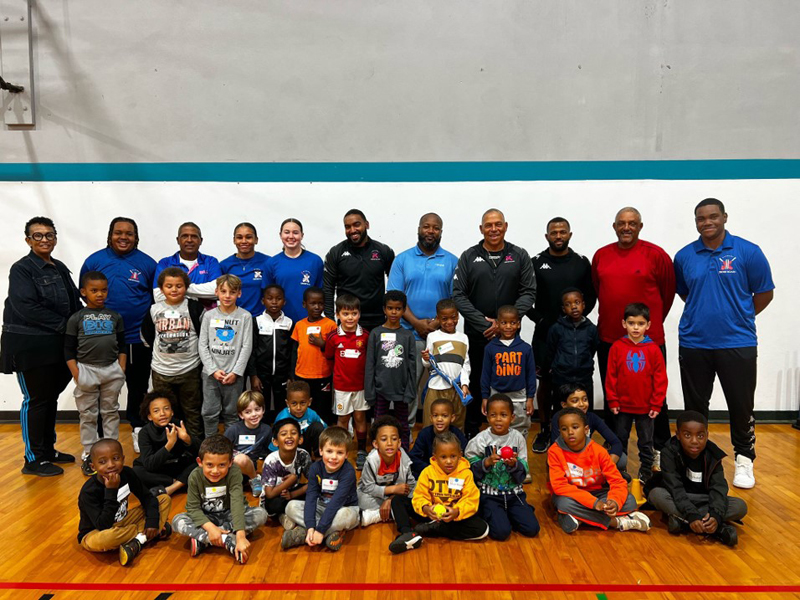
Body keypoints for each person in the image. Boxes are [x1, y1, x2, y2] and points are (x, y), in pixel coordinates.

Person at [674, 198, 774, 489]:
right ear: (696, 222)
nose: (707, 222)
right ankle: (696, 463)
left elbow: (764, 293)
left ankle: (744, 459)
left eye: (713, 216)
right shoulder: (684, 256)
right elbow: (685, 293)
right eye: (701, 218)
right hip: (694, 343)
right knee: (695, 407)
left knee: (741, 405)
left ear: (725, 217)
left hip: (738, 343)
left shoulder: (748, 252)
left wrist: (738, 315)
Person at [591, 207, 675, 463]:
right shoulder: (601, 255)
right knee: (613, 395)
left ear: (640, 226)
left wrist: (646, 326)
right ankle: (615, 449)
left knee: (655, 396)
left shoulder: (656, 255)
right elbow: (598, 289)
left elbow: (667, 294)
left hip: (649, 343)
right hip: (610, 339)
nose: (626, 227)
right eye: (621, 223)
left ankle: (661, 450)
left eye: (632, 223)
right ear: (614, 226)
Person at [2, 216, 82, 476]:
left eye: (49, 235)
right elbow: (25, 306)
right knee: (35, 400)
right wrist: (67, 326)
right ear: (28, 240)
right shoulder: (22, 269)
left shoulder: (59, 267)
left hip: (57, 344)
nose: (44, 239)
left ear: (55, 239)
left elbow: (74, 302)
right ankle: (33, 459)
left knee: (50, 398)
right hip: (30, 345)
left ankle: (48, 450)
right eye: (38, 235)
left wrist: (85, 322)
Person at [452, 208, 536, 438]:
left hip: (509, 335)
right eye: (488, 225)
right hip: (478, 334)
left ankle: (510, 433)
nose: (494, 229)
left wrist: (503, 323)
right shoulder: (469, 256)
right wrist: (484, 323)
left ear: (505, 226)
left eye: (498, 224)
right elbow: (458, 294)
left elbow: (529, 292)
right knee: (477, 380)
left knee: (509, 380)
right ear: (481, 229)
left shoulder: (519, 255)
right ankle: (472, 430)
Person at [81, 217, 157, 453]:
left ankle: (138, 428)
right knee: (102, 388)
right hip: (102, 340)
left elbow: (156, 298)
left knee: (138, 387)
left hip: (138, 338)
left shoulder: (147, 263)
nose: (123, 237)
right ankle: (100, 437)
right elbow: (84, 293)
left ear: (136, 237)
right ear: (110, 235)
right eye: (118, 233)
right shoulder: (94, 261)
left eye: (129, 233)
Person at [387, 213, 458, 439]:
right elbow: (395, 297)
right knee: (408, 387)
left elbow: (455, 298)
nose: (430, 231)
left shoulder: (452, 261)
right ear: (419, 229)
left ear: (441, 232)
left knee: (444, 386)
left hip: (443, 336)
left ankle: (442, 436)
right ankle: (405, 434)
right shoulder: (402, 259)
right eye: (426, 227)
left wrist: (436, 323)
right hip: (409, 335)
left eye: (435, 228)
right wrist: (417, 323)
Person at [527, 217, 596, 453]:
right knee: (546, 382)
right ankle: (546, 430)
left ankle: (581, 430)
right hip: (545, 334)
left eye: (563, 232)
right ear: (547, 236)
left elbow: (591, 296)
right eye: (554, 232)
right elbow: (524, 296)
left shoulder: (581, 263)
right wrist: (540, 320)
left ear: (570, 235)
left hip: (575, 334)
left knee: (578, 383)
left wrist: (576, 321)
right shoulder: (536, 262)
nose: (558, 236)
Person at [645, 410, 746, 547]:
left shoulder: (713, 455)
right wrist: (691, 514)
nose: (694, 441)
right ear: (678, 435)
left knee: (740, 506)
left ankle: (683, 522)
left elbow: (718, 488)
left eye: (700, 436)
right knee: (656, 495)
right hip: (677, 497)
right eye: (687, 435)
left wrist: (715, 515)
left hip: (704, 499)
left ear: (707, 435)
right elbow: (675, 488)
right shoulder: (669, 452)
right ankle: (717, 529)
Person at [548, 408, 650, 534]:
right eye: (564, 429)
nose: (570, 432)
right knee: (563, 504)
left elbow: (618, 482)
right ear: (560, 432)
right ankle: (617, 522)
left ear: (586, 429)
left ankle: (580, 518)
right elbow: (560, 486)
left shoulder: (599, 451)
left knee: (630, 501)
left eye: (575, 427)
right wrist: (593, 503)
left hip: (598, 493)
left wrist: (614, 502)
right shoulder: (554, 451)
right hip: (572, 496)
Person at [65, 271, 127, 476]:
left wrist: (121, 368)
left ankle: (112, 451)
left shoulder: (115, 316)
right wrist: (76, 373)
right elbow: (68, 349)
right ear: (83, 292)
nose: (100, 294)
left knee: (110, 411)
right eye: (94, 290)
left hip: (111, 369)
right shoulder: (77, 318)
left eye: (103, 290)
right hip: (86, 369)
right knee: (88, 414)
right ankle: (89, 454)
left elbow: (122, 345)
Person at [171, 435, 268, 563]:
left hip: (230, 514)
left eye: (222, 465)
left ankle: (204, 539)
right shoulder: (194, 476)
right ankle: (225, 539)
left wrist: (240, 536)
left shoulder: (234, 472)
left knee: (261, 514)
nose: (215, 471)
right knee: (177, 521)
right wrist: (211, 528)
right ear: (200, 462)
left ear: (230, 462)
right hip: (207, 517)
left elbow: (237, 502)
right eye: (209, 465)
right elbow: (193, 508)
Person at [77, 439, 172, 566]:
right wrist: (111, 491)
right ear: (93, 466)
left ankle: (138, 541)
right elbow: (103, 525)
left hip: (123, 521)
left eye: (115, 458)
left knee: (164, 499)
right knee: (107, 539)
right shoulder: (89, 492)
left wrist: (152, 521)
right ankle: (146, 535)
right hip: (97, 532)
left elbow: (147, 497)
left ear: (123, 459)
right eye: (103, 462)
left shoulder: (127, 473)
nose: (111, 465)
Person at [606, 303, 667, 484]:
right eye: (631, 323)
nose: (635, 328)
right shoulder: (617, 347)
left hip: (646, 407)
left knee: (646, 441)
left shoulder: (653, 349)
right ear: (624, 323)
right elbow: (611, 376)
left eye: (640, 324)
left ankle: (646, 470)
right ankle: (620, 469)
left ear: (648, 325)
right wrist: (612, 400)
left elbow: (660, 379)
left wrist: (656, 403)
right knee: (620, 439)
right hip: (622, 406)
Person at [141, 267, 205, 441]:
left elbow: (204, 336)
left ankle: (194, 447)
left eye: (179, 286)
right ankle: (168, 447)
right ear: (161, 289)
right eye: (169, 286)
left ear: (186, 287)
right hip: (161, 371)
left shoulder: (195, 308)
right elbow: (147, 336)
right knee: (164, 414)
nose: (174, 290)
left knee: (192, 411)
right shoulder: (154, 309)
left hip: (189, 370)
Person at [465, 394, 540, 541]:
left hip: (514, 494)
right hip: (490, 495)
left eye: (503, 415)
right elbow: (469, 468)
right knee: (501, 533)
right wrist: (486, 462)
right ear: (487, 416)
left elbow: (523, 471)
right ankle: (491, 512)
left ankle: (515, 512)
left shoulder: (518, 438)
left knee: (532, 529)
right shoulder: (480, 439)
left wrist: (514, 465)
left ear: (512, 417)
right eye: (493, 415)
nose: (498, 419)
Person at [281, 426, 360, 552]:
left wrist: (320, 530)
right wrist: (311, 526)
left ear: (346, 455)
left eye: (340, 453)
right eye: (329, 451)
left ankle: (305, 535)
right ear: (321, 450)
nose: (334, 457)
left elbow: (336, 502)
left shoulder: (348, 472)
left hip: (343, 508)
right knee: (291, 506)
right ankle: (326, 533)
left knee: (346, 516)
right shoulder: (315, 468)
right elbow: (311, 497)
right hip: (321, 506)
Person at [409, 431, 489, 543]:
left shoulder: (466, 473)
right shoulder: (427, 472)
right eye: (443, 457)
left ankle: (436, 528)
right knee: (399, 501)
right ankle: (409, 532)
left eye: (453, 456)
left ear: (460, 455)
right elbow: (419, 495)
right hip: (431, 515)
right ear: (435, 456)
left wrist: (457, 511)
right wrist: (426, 508)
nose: (449, 461)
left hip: (454, 517)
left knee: (483, 529)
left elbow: (471, 499)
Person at [199, 274, 253, 438]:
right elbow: (202, 345)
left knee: (232, 413)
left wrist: (236, 372)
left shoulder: (245, 316)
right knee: (209, 412)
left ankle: (230, 443)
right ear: (216, 292)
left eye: (232, 292)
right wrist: (212, 370)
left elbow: (246, 346)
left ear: (239, 293)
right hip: (210, 374)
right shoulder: (209, 316)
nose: (227, 296)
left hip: (234, 375)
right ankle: (210, 444)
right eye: (223, 291)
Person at [323, 209, 395, 332]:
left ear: (367, 225)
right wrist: (330, 321)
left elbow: (395, 284)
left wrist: (392, 317)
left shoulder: (383, 251)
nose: (352, 230)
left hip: (378, 321)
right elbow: (328, 288)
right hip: (347, 321)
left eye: (356, 225)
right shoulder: (335, 253)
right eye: (347, 227)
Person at [364, 291, 417, 450]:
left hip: (401, 390)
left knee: (403, 426)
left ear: (404, 310)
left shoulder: (408, 336)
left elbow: (412, 367)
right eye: (390, 308)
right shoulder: (375, 333)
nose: (394, 312)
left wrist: (410, 391)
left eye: (398, 308)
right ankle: (378, 454)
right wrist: (370, 392)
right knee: (379, 424)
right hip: (380, 390)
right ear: (384, 309)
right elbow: (370, 364)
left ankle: (404, 455)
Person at [324, 294, 370, 469]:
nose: (350, 318)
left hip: (360, 386)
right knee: (343, 418)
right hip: (341, 387)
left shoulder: (365, 336)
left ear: (359, 314)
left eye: (354, 313)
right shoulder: (333, 337)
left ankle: (361, 450)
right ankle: (340, 448)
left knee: (360, 417)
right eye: (345, 314)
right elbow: (329, 358)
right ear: (337, 315)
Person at [480, 306, 536, 444]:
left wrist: (530, 398)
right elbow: (485, 375)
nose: (508, 326)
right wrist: (485, 397)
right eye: (504, 323)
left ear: (518, 324)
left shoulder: (525, 348)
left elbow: (530, 375)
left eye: (512, 322)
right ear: (497, 324)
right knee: (497, 428)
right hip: (497, 395)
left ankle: (519, 456)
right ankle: (498, 456)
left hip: (520, 398)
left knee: (520, 430)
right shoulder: (490, 348)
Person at [549, 383, 626, 474]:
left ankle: (602, 474)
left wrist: (607, 467)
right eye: (575, 401)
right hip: (568, 459)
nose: (582, 404)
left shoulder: (592, 417)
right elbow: (556, 448)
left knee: (622, 459)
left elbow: (616, 443)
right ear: (564, 404)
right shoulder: (559, 418)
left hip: (587, 458)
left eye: (585, 399)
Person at [132, 391, 199, 495]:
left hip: (176, 466)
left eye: (166, 409)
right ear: (149, 416)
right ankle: (180, 483)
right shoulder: (144, 433)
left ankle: (169, 489)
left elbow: (202, 451)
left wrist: (187, 439)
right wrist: (169, 445)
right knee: (136, 472)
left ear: (172, 412)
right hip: (157, 470)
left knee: (201, 462)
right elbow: (150, 465)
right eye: (156, 411)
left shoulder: (178, 424)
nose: (162, 413)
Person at [544, 288, 598, 416]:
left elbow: (592, 349)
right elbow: (551, 350)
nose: (573, 307)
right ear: (564, 309)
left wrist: (584, 364)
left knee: (585, 412)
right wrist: (555, 368)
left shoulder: (591, 329)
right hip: (562, 378)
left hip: (584, 377)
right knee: (560, 411)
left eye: (577, 302)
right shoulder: (556, 329)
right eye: (568, 304)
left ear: (583, 305)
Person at [420, 298, 471, 430]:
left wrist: (465, 384)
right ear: (438, 318)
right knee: (431, 424)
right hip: (435, 388)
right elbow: (427, 364)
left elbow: (465, 364)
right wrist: (425, 359)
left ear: (458, 315)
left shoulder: (463, 338)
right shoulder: (433, 337)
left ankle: (456, 444)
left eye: (453, 317)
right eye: (444, 319)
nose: (449, 322)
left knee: (457, 424)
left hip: (457, 389)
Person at [358, 416, 417, 528]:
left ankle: (379, 514)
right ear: (375, 444)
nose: (389, 443)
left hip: (397, 496)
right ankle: (394, 512)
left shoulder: (404, 459)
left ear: (399, 443)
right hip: (375, 495)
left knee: (418, 490)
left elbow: (410, 485)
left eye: (394, 439)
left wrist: (391, 499)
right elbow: (367, 488)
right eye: (384, 439)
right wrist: (393, 489)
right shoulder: (371, 461)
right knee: (361, 499)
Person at [290, 287, 337, 427]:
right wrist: (291, 374)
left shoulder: (330, 325)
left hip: (323, 375)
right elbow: (294, 351)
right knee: (302, 408)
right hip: (302, 375)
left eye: (320, 303)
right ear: (304, 304)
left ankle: (323, 434)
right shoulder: (299, 325)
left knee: (322, 409)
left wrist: (323, 345)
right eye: (313, 303)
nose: (317, 307)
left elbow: (335, 351)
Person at [248, 284, 293, 424]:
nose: (274, 302)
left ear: (284, 302)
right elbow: (251, 350)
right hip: (262, 373)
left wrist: (291, 375)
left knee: (282, 405)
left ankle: (281, 429)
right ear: (263, 301)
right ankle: (263, 430)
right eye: (270, 298)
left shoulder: (289, 323)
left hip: (282, 373)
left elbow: (292, 351)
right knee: (261, 404)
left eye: (278, 299)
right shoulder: (256, 321)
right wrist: (253, 375)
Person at [265, 218, 324, 325]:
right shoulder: (272, 263)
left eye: (295, 233)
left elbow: (321, 293)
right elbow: (267, 296)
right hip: (280, 323)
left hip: (309, 322)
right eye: (287, 232)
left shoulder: (315, 261)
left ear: (302, 235)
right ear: (280, 235)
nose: (291, 236)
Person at [153, 222, 221, 308]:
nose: (189, 240)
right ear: (178, 240)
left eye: (194, 236)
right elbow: (158, 296)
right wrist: (200, 294)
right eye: (185, 236)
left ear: (201, 241)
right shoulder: (165, 263)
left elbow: (217, 291)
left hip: (207, 315)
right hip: (175, 315)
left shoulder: (211, 262)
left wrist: (179, 288)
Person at [261, 418, 312, 526]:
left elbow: (313, 482)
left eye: (293, 433)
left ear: (300, 439)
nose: (289, 436)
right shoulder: (271, 461)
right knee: (273, 505)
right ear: (275, 442)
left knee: (315, 493)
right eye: (284, 434)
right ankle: (282, 515)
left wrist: (292, 494)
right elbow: (270, 494)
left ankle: (290, 513)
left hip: (293, 491)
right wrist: (291, 480)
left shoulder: (303, 455)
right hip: (276, 495)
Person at [223, 390, 272, 496]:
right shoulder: (233, 430)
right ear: (241, 415)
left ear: (263, 410)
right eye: (248, 412)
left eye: (257, 409)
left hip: (249, 467)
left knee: (242, 459)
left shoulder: (267, 430)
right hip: (229, 467)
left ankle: (254, 479)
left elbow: (270, 452)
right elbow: (221, 450)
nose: (254, 414)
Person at [220, 222, 270, 316]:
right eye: (239, 237)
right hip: (233, 318)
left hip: (259, 318)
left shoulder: (267, 262)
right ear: (234, 240)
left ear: (256, 240)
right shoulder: (224, 265)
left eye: (248, 237)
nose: (244, 241)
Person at [409, 397, 467, 478]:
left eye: (444, 416)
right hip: (429, 474)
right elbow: (413, 458)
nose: (439, 419)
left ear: (452, 418)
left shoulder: (457, 434)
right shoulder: (424, 434)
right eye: (435, 415)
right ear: (431, 418)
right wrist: (432, 470)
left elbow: (465, 456)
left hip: (452, 473)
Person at [270, 380, 326, 456]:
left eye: (303, 403)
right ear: (287, 403)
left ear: (309, 402)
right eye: (294, 403)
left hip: (304, 446)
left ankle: (318, 458)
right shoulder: (282, 418)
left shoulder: (311, 414)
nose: (299, 408)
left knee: (318, 427)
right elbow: (275, 441)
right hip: (288, 449)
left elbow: (326, 431)